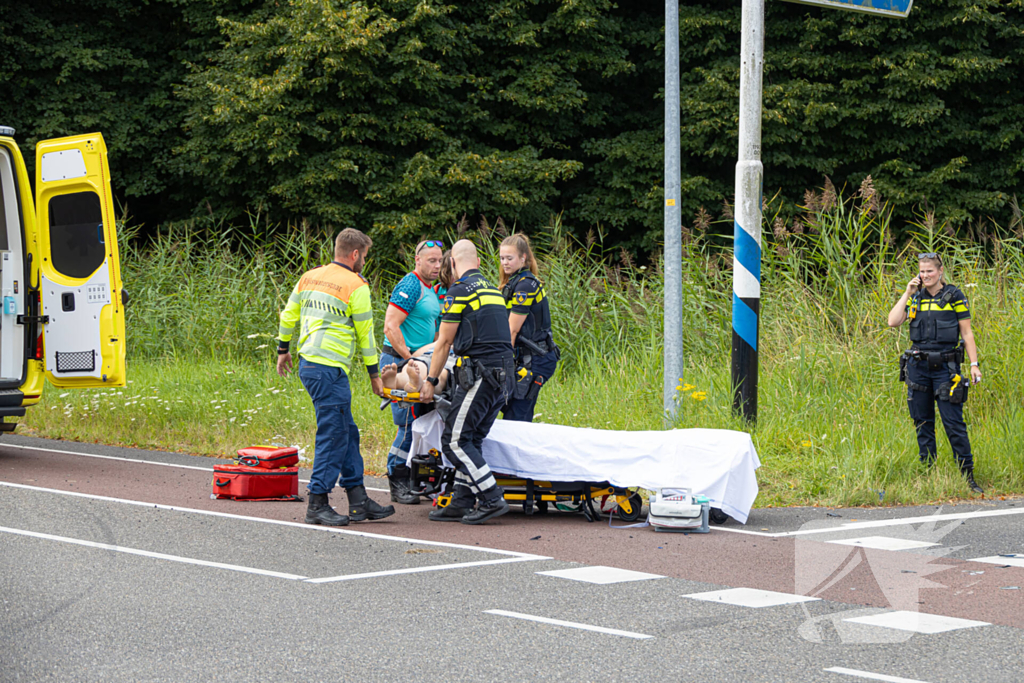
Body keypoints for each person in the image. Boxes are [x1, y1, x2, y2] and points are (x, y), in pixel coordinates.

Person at [277, 228, 396, 525]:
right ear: (355, 254)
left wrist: (283, 349)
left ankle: (358, 499)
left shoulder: (310, 276)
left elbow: (288, 315)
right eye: (364, 257)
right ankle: (317, 502)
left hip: (310, 364)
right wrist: (373, 375)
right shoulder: (356, 285)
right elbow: (366, 335)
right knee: (333, 434)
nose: (364, 262)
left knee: (347, 430)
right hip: (329, 368)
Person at [419, 239, 515, 524]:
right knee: (471, 438)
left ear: (452, 264)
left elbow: (444, 341)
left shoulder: (458, 292)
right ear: (479, 263)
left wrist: (430, 380)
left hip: (481, 376)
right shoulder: (493, 291)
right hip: (504, 376)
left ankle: (490, 497)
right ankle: (462, 498)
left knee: (455, 441)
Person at [887, 252, 984, 494]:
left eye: (930, 271)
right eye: (922, 271)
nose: (925, 275)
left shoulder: (954, 296)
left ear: (940, 271)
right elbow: (893, 321)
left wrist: (974, 363)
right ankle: (928, 474)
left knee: (954, 423)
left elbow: (967, 333)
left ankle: (968, 476)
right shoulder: (915, 297)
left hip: (946, 369)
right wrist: (907, 293)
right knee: (922, 422)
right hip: (917, 368)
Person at [380, 239, 445, 505]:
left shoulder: (432, 289)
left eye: (440, 260)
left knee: (423, 425)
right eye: (431, 260)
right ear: (417, 260)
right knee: (407, 426)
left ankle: (417, 478)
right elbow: (390, 326)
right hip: (401, 362)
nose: (437, 265)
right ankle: (397, 478)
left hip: (423, 363)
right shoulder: (410, 284)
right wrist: (410, 359)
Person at [498, 234, 559, 422]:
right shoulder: (513, 282)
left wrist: (501, 362)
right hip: (525, 357)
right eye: (502, 258)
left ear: (523, 258)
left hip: (537, 359)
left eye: (510, 258)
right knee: (507, 407)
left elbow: (512, 330)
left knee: (517, 416)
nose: (505, 263)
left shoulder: (525, 285)